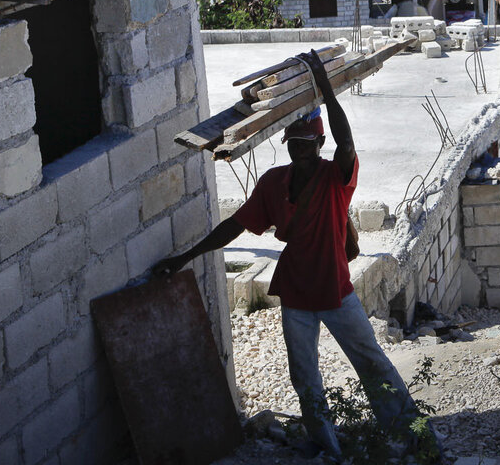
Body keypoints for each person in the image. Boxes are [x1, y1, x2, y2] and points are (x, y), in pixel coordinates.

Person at [154, 50, 425, 461]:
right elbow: (235, 226)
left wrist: (324, 86)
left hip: (336, 293)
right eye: (295, 144)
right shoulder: (273, 182)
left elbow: (347, 143)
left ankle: (413, 436)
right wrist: (185, 257)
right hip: (296, 296)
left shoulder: (336, 179)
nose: (301, 150)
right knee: (304, 377)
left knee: (371, 362)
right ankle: (326, 444)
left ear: (319, 144)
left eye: (308, 144)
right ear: (288, 145)